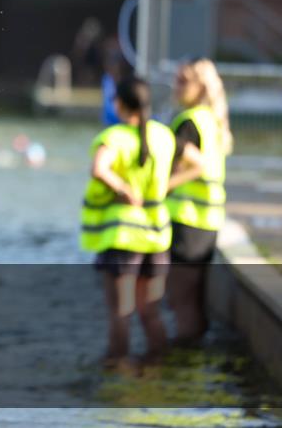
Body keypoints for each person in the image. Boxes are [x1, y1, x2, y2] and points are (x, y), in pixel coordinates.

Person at [80, 76, 175, 369]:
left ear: (119, 104)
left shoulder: (115, 137)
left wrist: (122, 188)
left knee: (121, 311)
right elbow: (195, 162)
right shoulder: (164, 136)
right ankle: (157, 369)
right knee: (151, 312)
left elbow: (99, 169)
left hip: (123, 238)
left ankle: (117, 369)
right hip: (157, 235)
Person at [165, 58, 232, 342]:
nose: (176, 86)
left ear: (199, 86)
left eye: (183, 80)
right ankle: (194, 364)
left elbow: (198, 166)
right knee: (194, 300)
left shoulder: (189, 121)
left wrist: (162, 186)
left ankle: (182, 364)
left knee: (182, 301)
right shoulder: (212, 120)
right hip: (208, 222)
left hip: (187, 221)